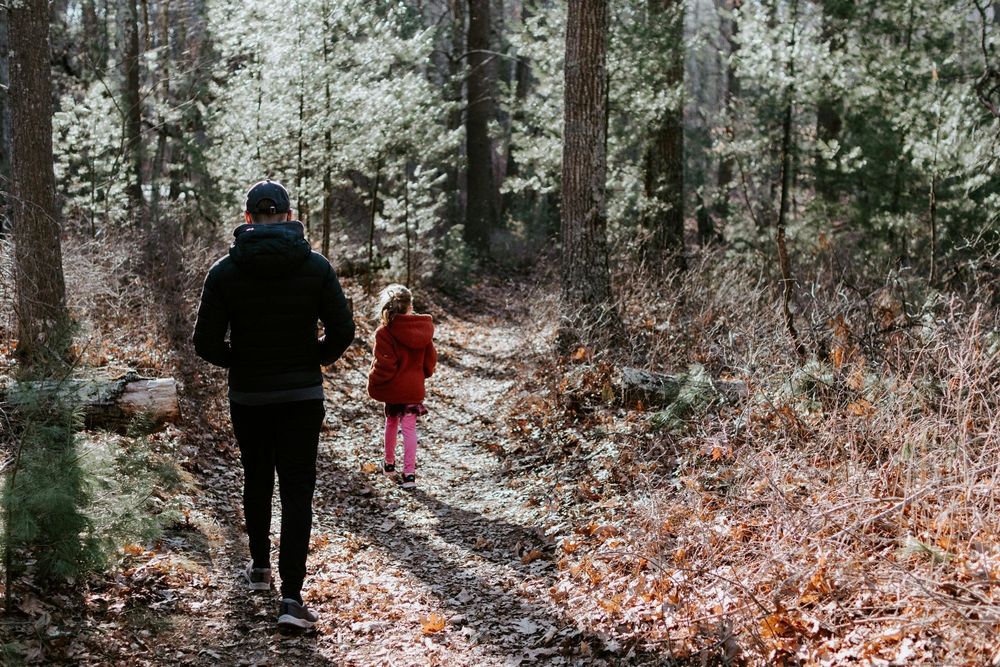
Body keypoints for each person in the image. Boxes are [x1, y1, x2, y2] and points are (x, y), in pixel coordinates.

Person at [192, 179, 355, 630]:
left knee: (257, 477)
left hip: (250, 396)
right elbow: (343, 331)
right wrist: (314, 359)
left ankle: (260, 568)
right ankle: (291, 598)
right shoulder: (315, 267)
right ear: (288, 217)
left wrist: (241, 362)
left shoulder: (224, 272)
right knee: (297, 490)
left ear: (248, 218)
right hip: (302, 396)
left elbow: (204, 342)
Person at [367, 285, 436, 491]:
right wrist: (420, 375)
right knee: (409, 430)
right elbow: (430, 360)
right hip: (413, 388)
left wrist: (374, 380)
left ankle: (389, 464)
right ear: (410, 306)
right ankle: (409, 474)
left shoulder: (385, 332)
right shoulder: (423, 330)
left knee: (391, 422)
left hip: (393, 389)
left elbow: (384, 365)